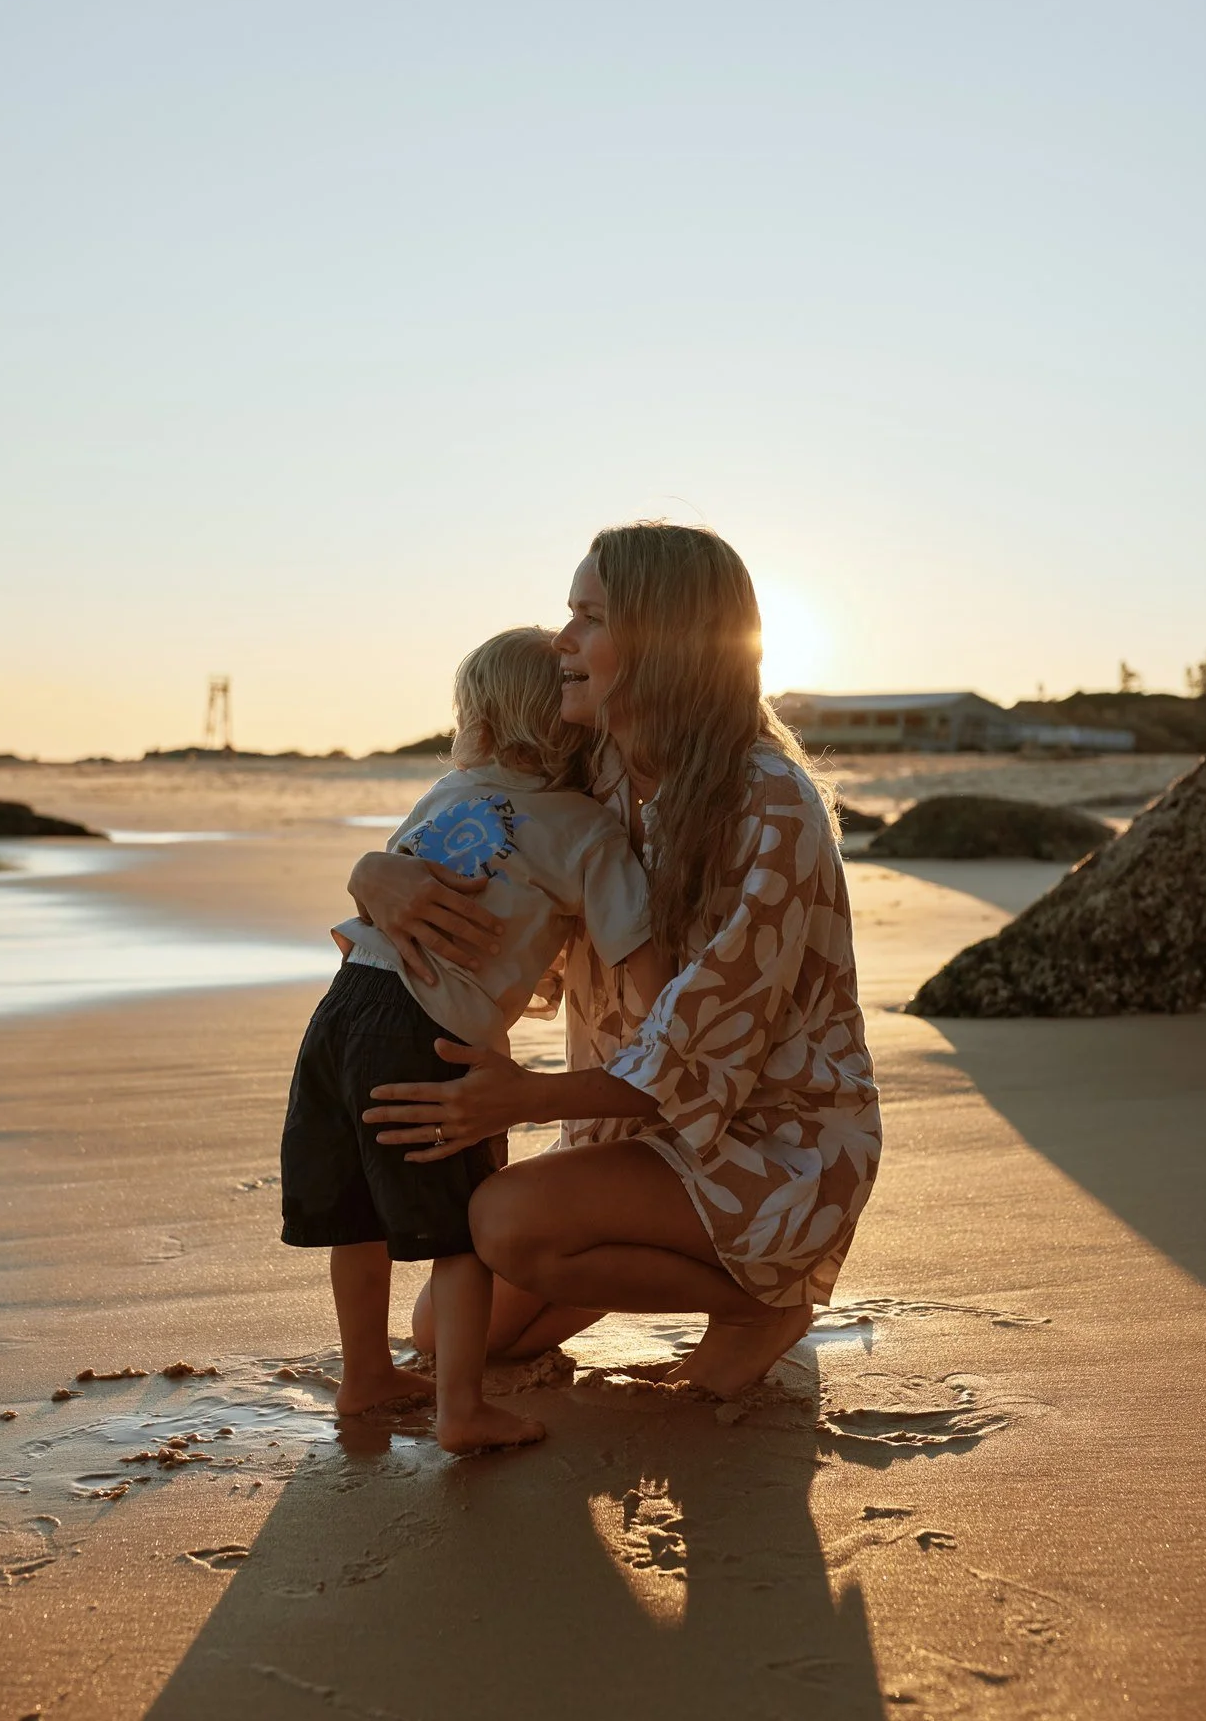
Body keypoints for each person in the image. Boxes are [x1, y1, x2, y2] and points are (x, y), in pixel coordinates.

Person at [357, 522, 883, 1401]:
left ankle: (763, 1305)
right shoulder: (592, 776)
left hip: (775, 1150)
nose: (562, 640)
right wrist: (375, 874)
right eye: (569, 614)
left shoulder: (774, 809)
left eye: (589, 617)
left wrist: (524, 1098)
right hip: (633, 1137)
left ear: (662, 640)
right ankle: (684, 1260)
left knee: (506, 1222)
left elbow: (701, 1052)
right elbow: (477, 857)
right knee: (447, 1331)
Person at [279, 626, 667, 1453]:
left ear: (480, 722)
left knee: (358, 1217)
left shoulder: (443, 796)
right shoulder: (584, 832)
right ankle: (460, 1409)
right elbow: (636, 945)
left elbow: (375, 918)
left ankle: (364, 1376)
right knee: (459, 1234)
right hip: (429, 1037)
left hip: (342, 1011)